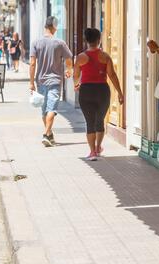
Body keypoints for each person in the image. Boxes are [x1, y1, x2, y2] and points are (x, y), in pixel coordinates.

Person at [73, 28, 124, 162]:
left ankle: (92, 152)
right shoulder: (105, 57)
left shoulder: (80, 57)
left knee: (90, 122)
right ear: (99, 40)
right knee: (99, 120)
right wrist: (120, 92)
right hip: (102, 91)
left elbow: (76, 75)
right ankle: (98, 147)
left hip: (86, 91)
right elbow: (112, 75)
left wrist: (76, 84)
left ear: (86, 40)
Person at [30, 16, 73, 148]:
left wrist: (31, 82)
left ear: (45, 26)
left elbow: (32, 64)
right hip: (55, 81)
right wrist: (69, 69)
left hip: (40, 81)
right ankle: (46, 134)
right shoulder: (60, 43)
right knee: (51, 109)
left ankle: (49, 135)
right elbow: (69, 59)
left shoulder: (35, 43)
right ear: (54, 27)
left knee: (45, 111)